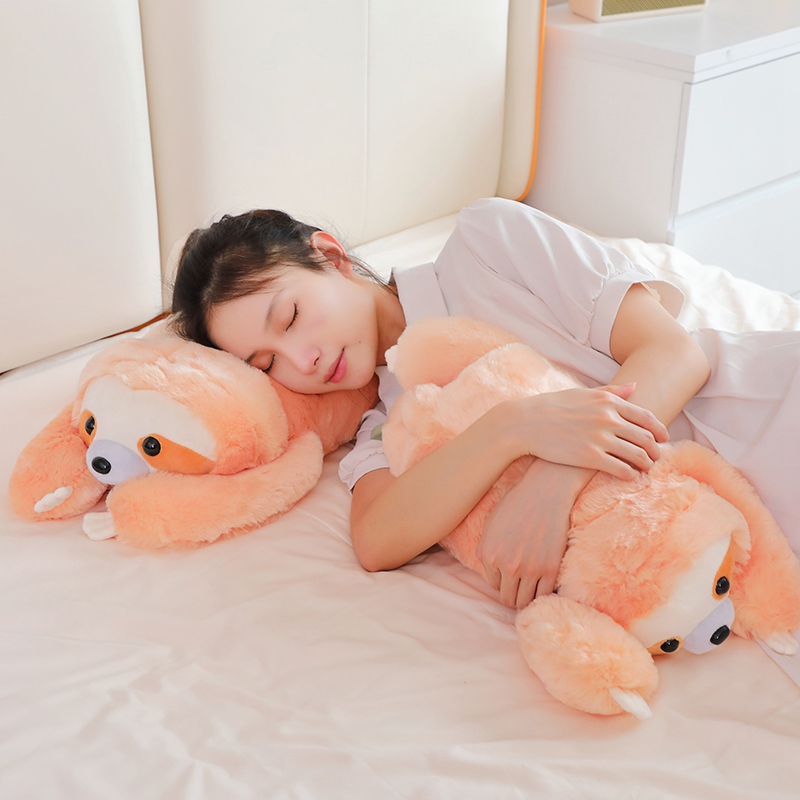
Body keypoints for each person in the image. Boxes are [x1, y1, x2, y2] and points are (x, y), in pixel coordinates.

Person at [170, 198, 799, 609]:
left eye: (290, 317)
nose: (301, 360)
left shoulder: (486, 243)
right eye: (267, 364)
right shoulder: (390, 425)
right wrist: (509, 429)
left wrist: (554, 481)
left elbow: (675, 354)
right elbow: (378, 541)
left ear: (331, 257)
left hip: (764, 407)